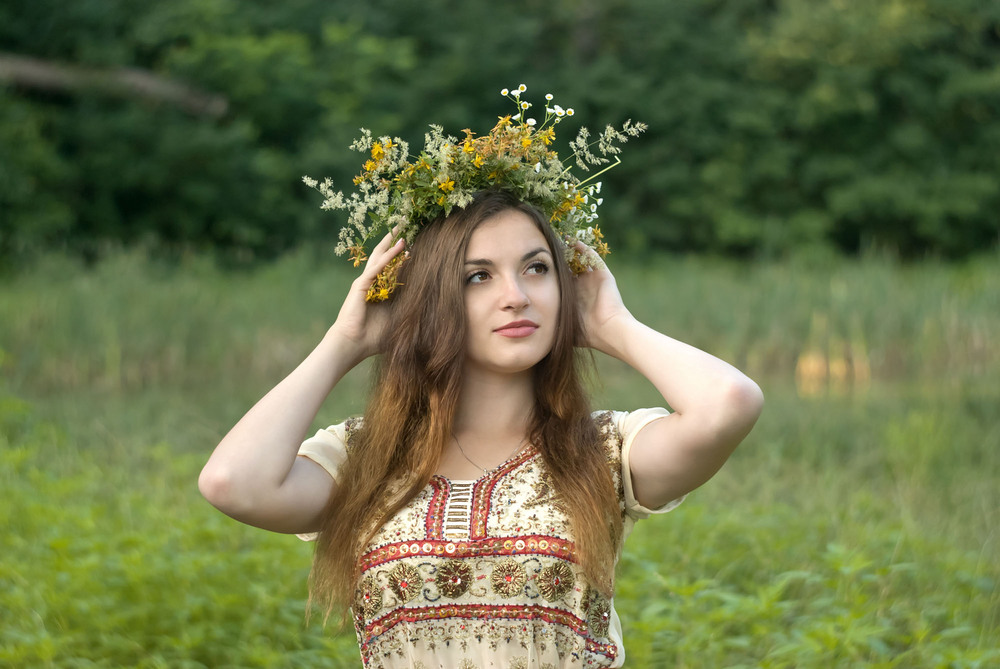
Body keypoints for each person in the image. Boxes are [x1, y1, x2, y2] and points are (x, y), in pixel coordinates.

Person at [199, 88, 763, 668]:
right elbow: (231, 483)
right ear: (432, 298)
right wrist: (347, 343)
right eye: (478, 277)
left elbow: (729, 403)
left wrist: (611, 323)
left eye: (536, 269)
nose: (516, 297)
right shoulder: (364, 458)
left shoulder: (603, 450)